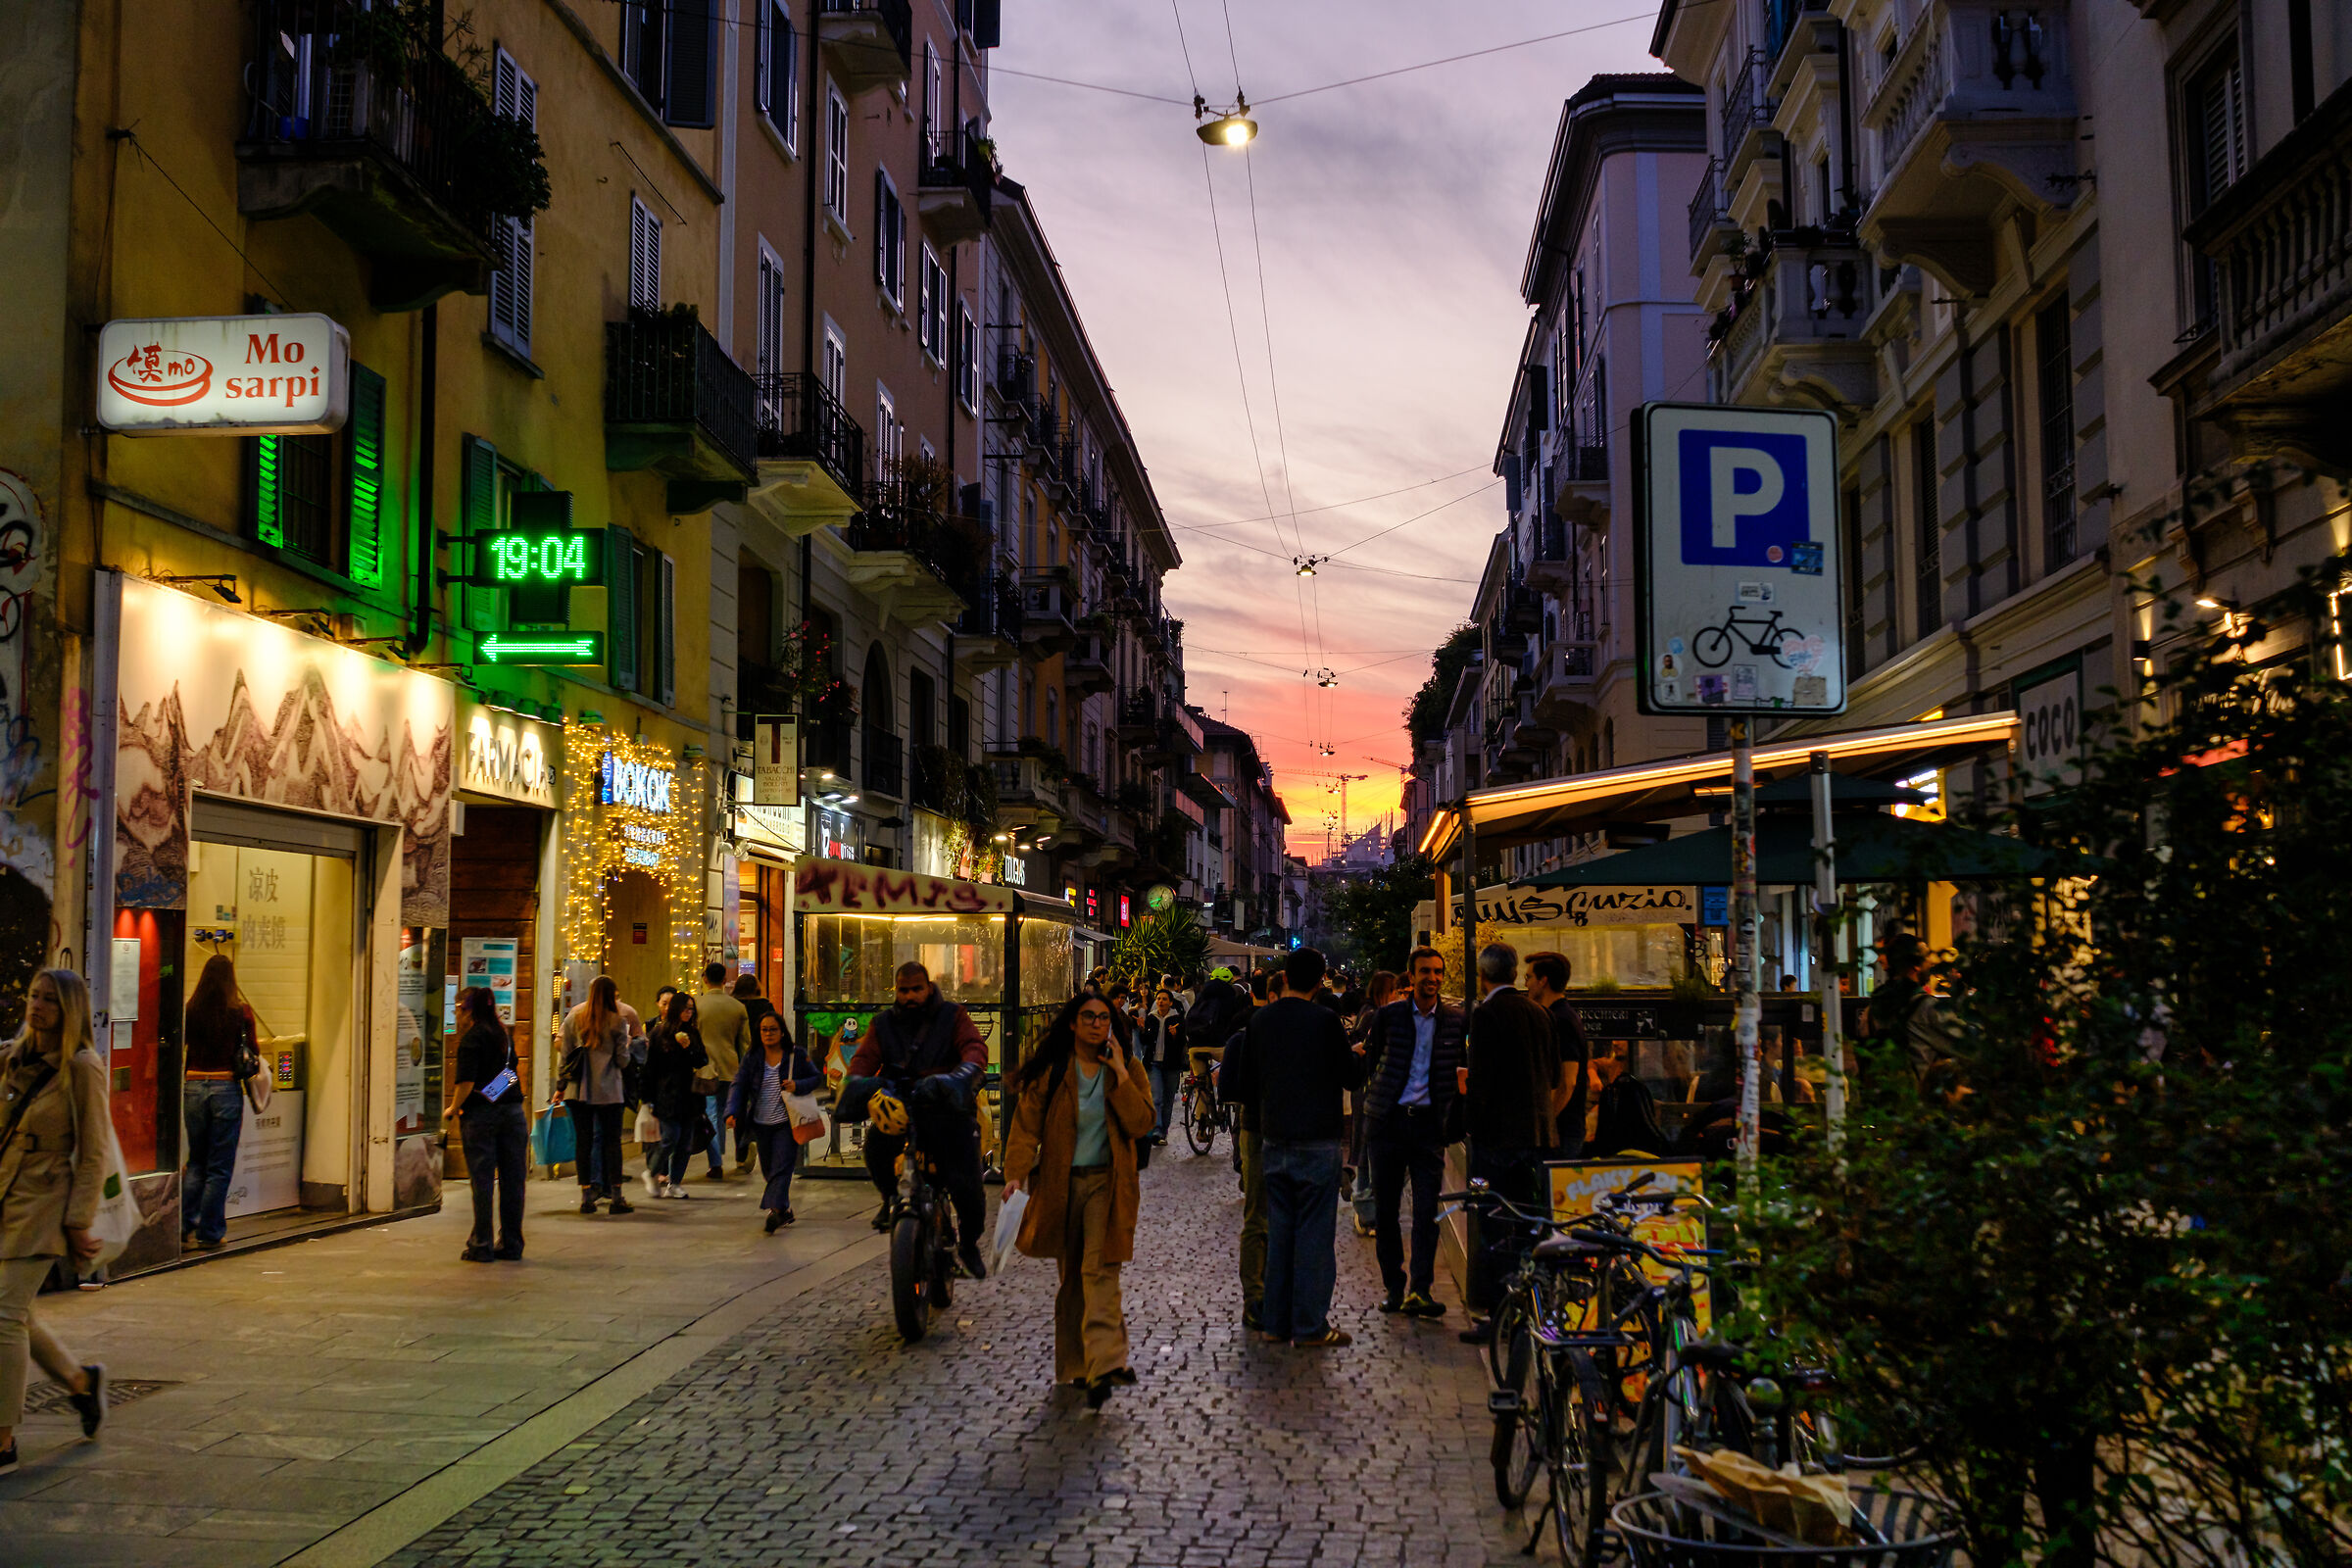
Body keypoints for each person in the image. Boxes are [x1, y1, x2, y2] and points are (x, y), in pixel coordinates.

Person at [1004, 994, 1154, 1408]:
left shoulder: (1127, 1070)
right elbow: (1026, 1125)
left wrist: (1121, 1072)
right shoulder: (1054, 1072)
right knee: (1072, 1279)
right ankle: (1076, 1366)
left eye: (1103, 1018)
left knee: (1099, 1270)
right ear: (1072, 1024)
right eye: (1087, 1017)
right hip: (1060, 1185)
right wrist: (1015, 1173)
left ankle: (1104, 1364)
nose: (1096, 1024)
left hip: (1108, 1185)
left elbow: (1142, 1123)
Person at [1221, 948, 1363, 1349]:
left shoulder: (1261, 1020)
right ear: (1320, 982)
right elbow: (1348, 1077)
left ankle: (1275, 1321)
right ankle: (1309, 1324)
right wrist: (1359, 1057)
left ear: (1285, 978)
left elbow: (1246, 1084)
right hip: (1316, 1140)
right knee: (1315, 1237)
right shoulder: (1326, 1021)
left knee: (1279, 1234)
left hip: (1274, 1140)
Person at [0, 969, 110, 1476]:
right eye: (33, 996)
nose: (37, 1006)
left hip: (43, 1203)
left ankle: (2, 1437)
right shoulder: (11, 1058)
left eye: (49, 1000)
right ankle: (80, 1382)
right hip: (4, 1195)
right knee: (17, 1313)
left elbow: (93, 1152)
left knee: (3, 1316)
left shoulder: (83, 1067)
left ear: (70, 1011)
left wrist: (79, 1220)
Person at [842, 961, 990, 1278]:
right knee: (876, 1150)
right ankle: (890, 1198)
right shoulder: (883, 1024)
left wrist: (959, 1078)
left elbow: (974, 1049)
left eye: (916, 989)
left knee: (968, 1184)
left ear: (928, 987)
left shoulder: (953, 1016)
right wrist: (856, 1085)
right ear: (896, 991)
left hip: (946, 1108)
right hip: (901, 1108)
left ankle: (969, 1244)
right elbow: (864, 1059)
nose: (909, 996)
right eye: (903, 990)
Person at [1458, 943, 1557, 1346]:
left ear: (1483, 976)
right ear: (1515, 974)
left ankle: (1499, 1312)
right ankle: (1530, 1309)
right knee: (1530, 1224)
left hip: (1497, 1139)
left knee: (1495, 1225)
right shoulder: (1540, 1013)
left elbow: (1481, 1081)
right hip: (1536, 1136)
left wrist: (1470, 1127)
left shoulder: (1486, 1014)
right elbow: (1550, 1073)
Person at [1359, 950, 1460, 1317]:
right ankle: (1394, 1288)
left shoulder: (1454, 1021)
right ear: (1411, 975)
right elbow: (1373, 1062)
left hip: (1429, 1126)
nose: (1431, 978)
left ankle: (1421, 1289)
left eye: (1437, 971)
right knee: (1386, 1212)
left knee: (1425, 1212)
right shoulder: (1389, 1016)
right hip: (1389, 1122)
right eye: (1424, 972)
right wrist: (1379, 1102)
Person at [179, 955, 260, 1251]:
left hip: (193, 1087)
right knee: (219, 1167)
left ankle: (184, 1226)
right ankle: (210, 1232)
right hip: (225, 1088)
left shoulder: (191, 1009)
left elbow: (180, 1043)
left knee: (197, 1162)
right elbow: (253, 1050)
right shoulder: (240, 1012)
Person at [444, 986, 527, 1260]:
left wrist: (454, 1108)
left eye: (458, 1009)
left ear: (468, 1010)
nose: (457, 1016)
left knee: (482, 1181)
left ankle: (482, 1244)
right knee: (513, 1180)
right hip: (513, 1114)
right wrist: (494, 1095)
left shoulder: (471, 1039)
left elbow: (466, 1083)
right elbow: (511, 1073)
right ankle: (512, 1243)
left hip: (480, 1118)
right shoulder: (504, 1035)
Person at [1217, 968, 1274, 1327]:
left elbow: (1233, 1087)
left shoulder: (1243, 1025)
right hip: (1269, 1130)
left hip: (1255, 1127)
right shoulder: (1266, 1028)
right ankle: (1260, 1296)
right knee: (1263, 1218)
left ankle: (1258, 1297)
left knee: (1257, 1217)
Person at [728, 1010, 820, 1232]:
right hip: (761, 1124)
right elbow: (738, 1084)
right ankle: (783, 1210)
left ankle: (773, 1209)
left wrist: (797, 1085)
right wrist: (731, 1111)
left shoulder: (795, 1054)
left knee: (782, 1166)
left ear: (782, 1032)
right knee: (769, 1169)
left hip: (786, 1123)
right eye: (764, 1030)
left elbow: (816, 1077)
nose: (768, 1034)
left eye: (773, 1030)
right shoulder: (753, 1057)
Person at [558, 976, 635, 1215]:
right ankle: (616, 1197)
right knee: (612, 1142)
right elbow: (622, 1061)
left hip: (577, 1090)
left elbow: (564, 1054)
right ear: (612, 995)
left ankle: (586, 1197)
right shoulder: (617, 1022)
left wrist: (560, 1084)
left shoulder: (574, 1018)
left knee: (584, 1141)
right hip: (609, 1090)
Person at [1346, 970, 1399, 1234]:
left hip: (1367, 1091)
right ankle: (1366, 1212)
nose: (1399, 997)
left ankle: (1368, 1211)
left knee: (1370, 1151)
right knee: (1371, 1153)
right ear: (1384, 992)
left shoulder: (1368, 1013)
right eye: (1396, 991)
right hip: (1371, 1091)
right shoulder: (1375, 1016)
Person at [1524, 952, 1592, 1156]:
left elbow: (1567, 1082)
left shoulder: (1561, 1020)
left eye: (1528, 977)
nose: (1525, 984)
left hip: (1561, 1134)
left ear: (1543, 981)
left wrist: (1545, 1127)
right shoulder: (1558, 1016)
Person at [1864, 934, 1954, 1083]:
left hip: (1882, 1096)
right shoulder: (1927, 1007)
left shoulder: (1873, 1006)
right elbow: (1969, 1046)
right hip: (1915, 1097)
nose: (1931, 962)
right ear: (1916, 965)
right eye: (1927, 957)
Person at [643, 992, 708, 1199]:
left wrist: (689, 1049)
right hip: (666, 1094)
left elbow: (701, 1061)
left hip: (689, 1095)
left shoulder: (693, 1033)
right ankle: (652, 1171)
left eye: (691, 1009)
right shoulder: (659, 1033)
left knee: (685, 1142)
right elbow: (650, 1067)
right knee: (670, 1137)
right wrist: (647, 1098)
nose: (688, 1012)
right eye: (685, 1008)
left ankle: (675, 1183)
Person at [691, 962, 751, 1182]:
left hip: (705, 1068)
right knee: (731, 1112)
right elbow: (745, 1043)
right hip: (731, 1067)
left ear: (705, 979)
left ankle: (716, 1163)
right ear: (725, 980)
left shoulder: (696, 1004)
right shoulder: (737, 1007)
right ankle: (739, 1156)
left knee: (711, 1115)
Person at [1137, 987, 1186, 1145]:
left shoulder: (1178, 1019)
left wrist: (1175, 1035)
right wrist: (1142, 1029)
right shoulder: (1151, 1018)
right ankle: (1157, 1130)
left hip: (1171, 1064)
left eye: (1164, 999)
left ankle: (1163, 1131)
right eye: (1158, 999)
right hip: (1153, 1063)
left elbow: (1182, 1043)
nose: (1161, 1001)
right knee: (1156, 1097)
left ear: (1170, 1002)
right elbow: (1145, 1042)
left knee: (1168, 1099)